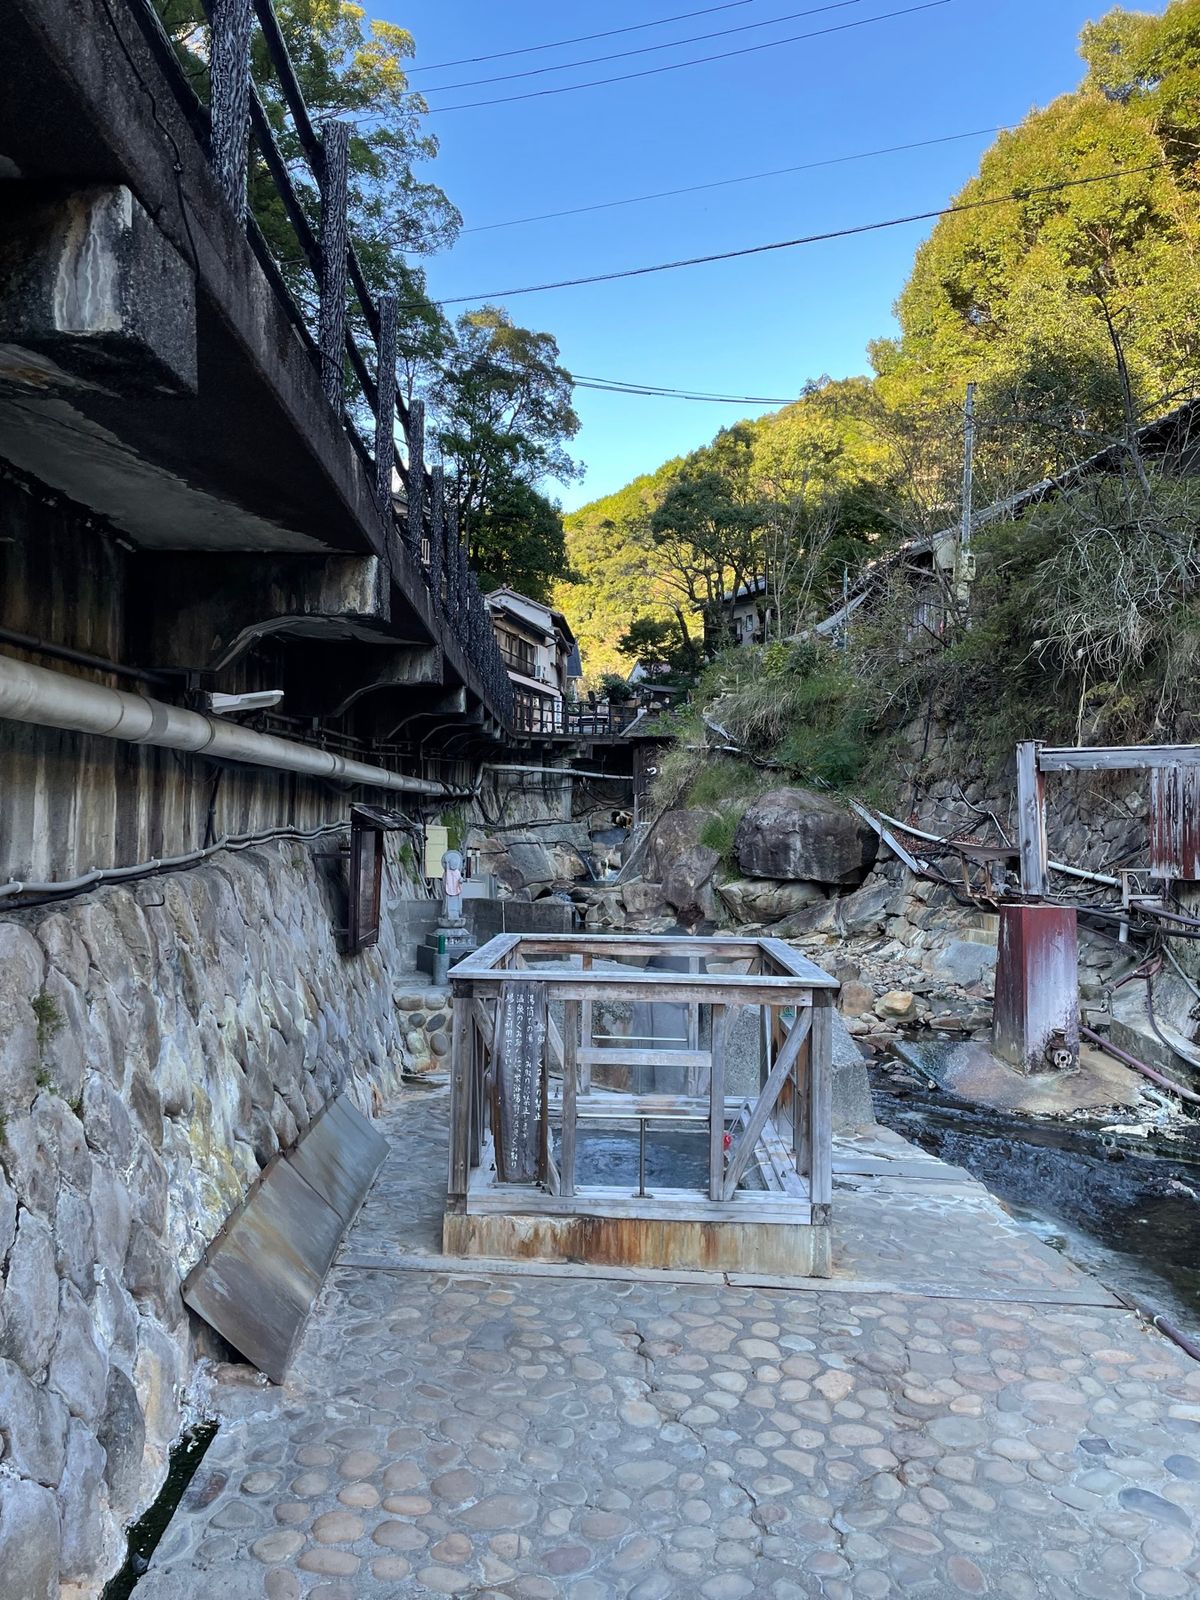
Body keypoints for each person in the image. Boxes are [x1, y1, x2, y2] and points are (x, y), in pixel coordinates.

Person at [440, 848, 464, 926]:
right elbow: (444, 883)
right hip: (448, 893)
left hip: (456, 892)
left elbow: (459, 880)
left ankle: (456, 914)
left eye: (455, 864)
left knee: (456, 904)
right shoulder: (446, 874)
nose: (454, 866)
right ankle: (448, 914)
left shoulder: (457, 872)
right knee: (448, 904)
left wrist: (460, 880)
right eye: (452, 864)